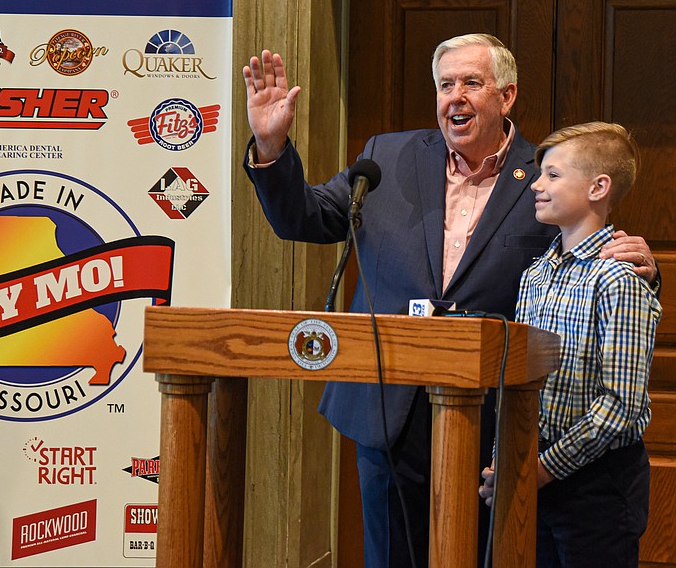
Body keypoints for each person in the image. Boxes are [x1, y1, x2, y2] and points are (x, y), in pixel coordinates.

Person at [242, 33, 658, 567]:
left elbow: (591, 265)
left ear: (505, 96)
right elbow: (307, 217)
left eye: (470, 83)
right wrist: (272, 149)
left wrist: (644, 270)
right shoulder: (386, 157)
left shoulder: (547, 175)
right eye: (444, 85)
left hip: (488, 421)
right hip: (389, 404)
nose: (453, 97)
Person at [480, 122, 662, 567]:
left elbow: (620, 407)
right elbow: (517, 381)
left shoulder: (620, 278)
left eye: (553, 175)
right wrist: (506, 462)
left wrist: (540, 470)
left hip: (596, 486)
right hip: (533, 470)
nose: (536, 185)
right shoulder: (536, 275)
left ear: (599, 187)